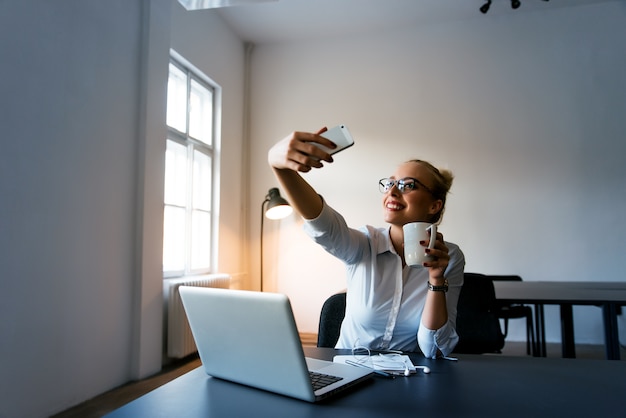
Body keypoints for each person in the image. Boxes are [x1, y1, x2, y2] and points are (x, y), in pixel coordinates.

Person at [267, 127, 465, 358]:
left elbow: (434, 349)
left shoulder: (449, 257)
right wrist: (280, 167)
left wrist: (436, 279)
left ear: (434, 205)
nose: (392, 191)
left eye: (407, 185)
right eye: (390, 183)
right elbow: (322, 224)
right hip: (349, 371)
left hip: (407, 377)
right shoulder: (365, 244)